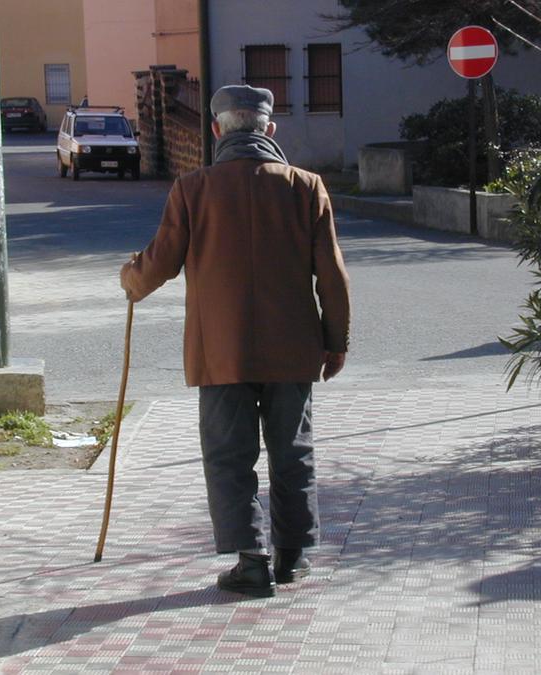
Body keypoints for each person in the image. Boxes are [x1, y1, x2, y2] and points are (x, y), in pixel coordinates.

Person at [119, 84, 350, 598]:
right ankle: (292, 556)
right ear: (270, 129)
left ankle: (252, 562)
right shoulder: (306, 186)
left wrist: (130, 280)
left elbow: (158, 264)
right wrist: (335, 342)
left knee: (229, 456)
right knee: (292, 450)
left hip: (221, 351)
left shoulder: (192, 188)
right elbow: (332, 277)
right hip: (293, 350)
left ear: (216, 129)